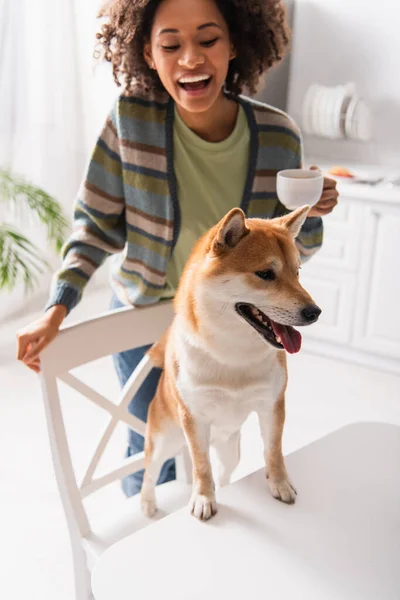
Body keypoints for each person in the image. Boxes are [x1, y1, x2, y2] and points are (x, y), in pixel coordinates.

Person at [16, 0, 338, 497]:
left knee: (218, 443)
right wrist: (57, 309)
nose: (190, 58)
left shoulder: (278, 136)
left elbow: (296, 251)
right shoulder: (130, 120)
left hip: (233, 319)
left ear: (235, 44)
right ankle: (152, 547)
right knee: (153, 442)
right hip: (143, 313)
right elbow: (94, 227)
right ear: (147, 52)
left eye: (208, 40)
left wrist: (312, 214)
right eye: (171, 44)